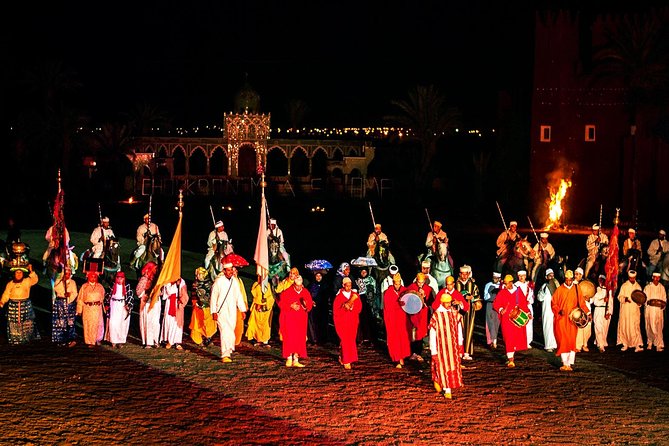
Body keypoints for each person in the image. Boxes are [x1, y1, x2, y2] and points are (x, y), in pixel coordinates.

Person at [552, 270, 591, 371]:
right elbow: (553, 303)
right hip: (561, 320)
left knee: (571, 341)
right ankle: (565, 363)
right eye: (567, 280)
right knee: (563, 340)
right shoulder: (559, 289)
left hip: (573, 320)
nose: (568, 282)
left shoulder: (577, 288)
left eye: (570, 280)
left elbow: (581, 303)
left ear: (572, 279)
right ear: (564, 279)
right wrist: (559, 311)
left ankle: (569, 363)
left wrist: (588, 313)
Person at [429, 293, 464, 400]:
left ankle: (444, 383)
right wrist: (433, 350)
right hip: (441, 348)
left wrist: (460, 343)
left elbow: (459, 329)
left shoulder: (454, 313)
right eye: (447, 302)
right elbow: (432, 333)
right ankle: (447, 389)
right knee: (442, 367)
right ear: (442, 302)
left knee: (452, 367)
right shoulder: (436, 315)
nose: (449, 304)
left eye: (450, 302)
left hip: (453, 347)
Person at [210, 262, 248, 363]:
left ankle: (229, 350)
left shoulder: (235, 281)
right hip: (221, 311)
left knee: (231, 330)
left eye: (232, 270)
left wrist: (242, 309)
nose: (231, 272)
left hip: (232, 310)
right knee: (225, 330)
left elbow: (239, 296)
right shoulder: (218, 281)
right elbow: (213, 297)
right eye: (229, 270)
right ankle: (225, 354)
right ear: (224, 271)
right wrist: (213, 311)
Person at [493, 274, 531, 368]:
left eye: (507, 283)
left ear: (511, 282)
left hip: (516, 318)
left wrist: (528, 313)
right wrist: (501, 309)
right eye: (504, 284)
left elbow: (523, 304)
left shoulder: (518, 291)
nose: (505, 285)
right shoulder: (502, 292)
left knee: (516, 337)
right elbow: (496, 304)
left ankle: (512, 355)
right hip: (506, 318)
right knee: (508, 338)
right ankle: (511, 359)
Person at [1, 262, 40, 344]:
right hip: (13, 306)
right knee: (13, 323)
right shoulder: (10, 284)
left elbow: (35, 280)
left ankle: (26, 338)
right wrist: (2, 301)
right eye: (17, 273)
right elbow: (6, 294)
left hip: (25, 305)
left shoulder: (27, 281)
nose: (18, 274)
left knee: (26, 322)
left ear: (23, 274)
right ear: (14, 274)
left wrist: (31, 271)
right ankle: (15, 339)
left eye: (20, 273)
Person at [278, 275, 313, 367]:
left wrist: (306, 305)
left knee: (299, 338)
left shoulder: (305, 292)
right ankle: (289, 358)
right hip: (290, 319)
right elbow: (281, 302)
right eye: (297, 286)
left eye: (300, 286)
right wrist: (290, 305)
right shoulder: (287, 292)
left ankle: (296, 359)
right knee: (289, 337)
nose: (298, 287)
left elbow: (309, 305)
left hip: (301, 320)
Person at [333, 277, 362, 370]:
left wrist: (352, 308)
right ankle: (347, 360)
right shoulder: (338, 297)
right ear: (343, 285)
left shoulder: (355, 295)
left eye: (350, 285)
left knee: (351, 340)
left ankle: (343, 357)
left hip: (352, 321)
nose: (349, 287)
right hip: (343, 322)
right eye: (347, 285)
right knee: (345, 340)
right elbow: (335, 312)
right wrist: (343, 307)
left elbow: (359, 308)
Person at [383, 273, 411, 368]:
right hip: (393, 319)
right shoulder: (388, 292)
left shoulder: (405, 290)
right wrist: (398, 304)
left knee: (403, 337)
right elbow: (388, 307)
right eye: (396, 284)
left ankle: (402, 357)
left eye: (399, 284)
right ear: (393, 283)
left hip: (403, 319)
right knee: (394, 338)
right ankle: (397, 358)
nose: (397, 286)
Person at [404, 272, 433, 362]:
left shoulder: (428, 289)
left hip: (423, 315)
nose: (420, 284)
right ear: (416, 280)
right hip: (413, 314)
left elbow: (431, 302)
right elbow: (406, 300)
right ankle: (412, 352)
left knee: (420, 333)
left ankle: (419, 353)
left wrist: (425, 297)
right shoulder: (411, 287)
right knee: (412, 333)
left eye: (422, 282)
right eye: (419, 282)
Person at [456, 265, 480, 360]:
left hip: (470, 311)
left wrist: (473, 298)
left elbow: (477, 296)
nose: (464, 276)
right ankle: (458, 351)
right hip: (458, 311)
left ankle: (467, 352)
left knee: (469, 331)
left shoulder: (473, 285)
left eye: (466, 274)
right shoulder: (456, 284)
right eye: (463, 274)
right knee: (458, 331)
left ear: (469, 274)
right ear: (460, 274)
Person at [104, 271, 133, 348]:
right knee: (113, 322)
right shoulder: (113, 285)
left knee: (121, 324)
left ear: (123, 279)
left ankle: (120, 341)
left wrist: (128, 305)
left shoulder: (127, 286)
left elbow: (130, 296)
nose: (119, 280)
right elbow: (107, 295)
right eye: (118, 278)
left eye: (121, 278)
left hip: (122, 305)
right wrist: (107, 305)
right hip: (113, 304)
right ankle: (113, 340)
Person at [76, 271, 105, 347]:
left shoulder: (100, 287)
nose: (93, 278)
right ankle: (90, 341)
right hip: (87, 308)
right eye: (91, 276)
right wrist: (79, 310)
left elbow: (103, 297)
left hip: (97, 309)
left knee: (98, 324)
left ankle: (97, 339)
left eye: (95, 277)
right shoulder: (84, 287)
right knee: (89, 325)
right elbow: (80, 299)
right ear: (88, 277)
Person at [189, 267, 217, 347]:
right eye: (197, 274)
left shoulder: (210, 283)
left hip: (209, 307)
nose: (197, 276)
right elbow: (193, 296)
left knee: (209, 324)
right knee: (197, 323)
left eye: (199, 274)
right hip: (198, 308)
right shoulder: (195, 284)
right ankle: (199, 340)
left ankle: (208, 338)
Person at [617, 270, 643, 352]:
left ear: (635, 277)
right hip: (625, 310)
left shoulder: (638, 287)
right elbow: (619, 297)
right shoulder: (624, 285)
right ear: (628, 277)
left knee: (635, 327)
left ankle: (637, 345)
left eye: (633, 278)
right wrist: (625, 299)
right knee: (625, 326)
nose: (632, 279)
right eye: (630, 278)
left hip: (634, 310)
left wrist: (639, 303)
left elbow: (641, 298)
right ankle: (625, 344)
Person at [159, 277, 188, 350]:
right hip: (169, 303)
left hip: (178, 304)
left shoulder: (182, 281)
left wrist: (181, 300)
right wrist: (173, 284)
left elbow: (185, 294)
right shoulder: (168, 281)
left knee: (177, 323)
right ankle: (169, 340)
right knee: (169, 321)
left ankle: (177, 342)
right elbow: (167, 292)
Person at [52, 266, 78, 347]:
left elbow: (75, 293)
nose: (67, 275)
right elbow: (56, 288)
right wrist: (63, 293)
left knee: (70, 321)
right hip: (60, 302)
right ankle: (60, 339)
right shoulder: (59, 281)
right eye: (66, 274)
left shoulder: (72, 282)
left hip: (69, 303)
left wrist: (69, 296)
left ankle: (71, 339)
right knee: (60, 321)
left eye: (69, 274)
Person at [246, 275, 275, 347]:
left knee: (266, 325)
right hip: (257, 308)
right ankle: (256, 339)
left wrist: (264, 302)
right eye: (259, 277)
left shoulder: (268, 285)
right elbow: (254, 294)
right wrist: (259, 303)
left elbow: (271, 297)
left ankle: (265, 341)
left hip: (266, 309)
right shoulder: (256, 285)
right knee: (255, 324)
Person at [137, 261, 160, 348]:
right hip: (146, 304)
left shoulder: (156, 279)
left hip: (155, 303)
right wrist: (145, 294)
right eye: (154, 269)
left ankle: (156, 340)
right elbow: (138, 291)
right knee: (148, 322)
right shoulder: (144, 278)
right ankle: (148, 342)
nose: (155, 270)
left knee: (155, 322)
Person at [536, 268, 559, 352]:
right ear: (546, 277)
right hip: (547, 310)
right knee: (548, 326)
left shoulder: (557, 285)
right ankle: (549, 345)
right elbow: (539, 298)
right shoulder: (544, 286)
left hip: (555, 309)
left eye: (553, 275)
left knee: (555, 326)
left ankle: (555, 344)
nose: (552, 277)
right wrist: (543, 292)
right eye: (550, 275)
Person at [355, 267, 378, 344]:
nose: (364, 273)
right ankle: (364, 337)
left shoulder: (371, 279)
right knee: (362, 319)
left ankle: (373, 338)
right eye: (362, 272)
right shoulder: (357, 280)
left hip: (370, 301)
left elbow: (374, 289)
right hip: (361, 300)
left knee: (371, 319)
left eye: (365, 272)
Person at [644, 272, 666, 352]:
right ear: (652, 277)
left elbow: (664, 299)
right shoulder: (648, 287)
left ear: (659, 278)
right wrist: (648, 302)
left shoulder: (662, 287)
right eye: (655, 277)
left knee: (659, 327)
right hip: (650, 310)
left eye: (658, 278)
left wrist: (663, 305)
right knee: (649, 326)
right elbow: (644, 299)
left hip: (658, 311)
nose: (656, 279)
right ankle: (650, 342)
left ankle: (658, 344)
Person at [591, 274, 613, 352]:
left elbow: (610, 302)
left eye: (602, 279)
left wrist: (609, 312)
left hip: (605, 311)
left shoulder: (608, 290)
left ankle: (602, 342)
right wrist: (602, 300)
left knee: (604, 329)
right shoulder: (596, 290)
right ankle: (600, 346)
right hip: (598, 310)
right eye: (599, 279)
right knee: (598, 328)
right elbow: (593, 301)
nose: (600, 281)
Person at [573, 267, 592, 352]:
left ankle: (585, 344)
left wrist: (589, 299)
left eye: (578, 274)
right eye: (575, 274)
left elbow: (592, 296)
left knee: (588, 327)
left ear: (581, 275)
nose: (576, 276)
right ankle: (578, 345)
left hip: (587, 307)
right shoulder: (573, 284)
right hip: (578, 309)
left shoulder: (586, 284)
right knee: (579, 327)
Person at [514, 270, 534, 349]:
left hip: (528, 306)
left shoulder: (528, 285)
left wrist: (529, 301)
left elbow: (532, 296)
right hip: (519, 307)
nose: (522, 277)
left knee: (528, 324)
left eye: (523, 276)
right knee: (518, 324)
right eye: (520, 276)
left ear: (525, 276)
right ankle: (517, 342)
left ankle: (527, 342)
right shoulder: (515, 285)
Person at [483, 272, 502, 349]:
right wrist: (491, 293)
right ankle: (490, 340)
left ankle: (495, 340)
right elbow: (485, 297)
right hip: (490, 304)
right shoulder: (488, 285)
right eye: (494, 278)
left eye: (496, 278)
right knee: (489, 322)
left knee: (496, 322)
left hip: (498, 306)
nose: (495, 279)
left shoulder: (501, 286)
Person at [306, 271, 326, 344]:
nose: (318, 278)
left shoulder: (325, 285)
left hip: (322, 307)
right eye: (317, 276)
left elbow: (326, 296)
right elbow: (307, 294)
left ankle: (322, 339)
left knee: (321, 323)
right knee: (313, 322)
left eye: (320, 276)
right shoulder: (311, 285)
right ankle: (313, 339)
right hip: (313, 306)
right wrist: (311, 301)